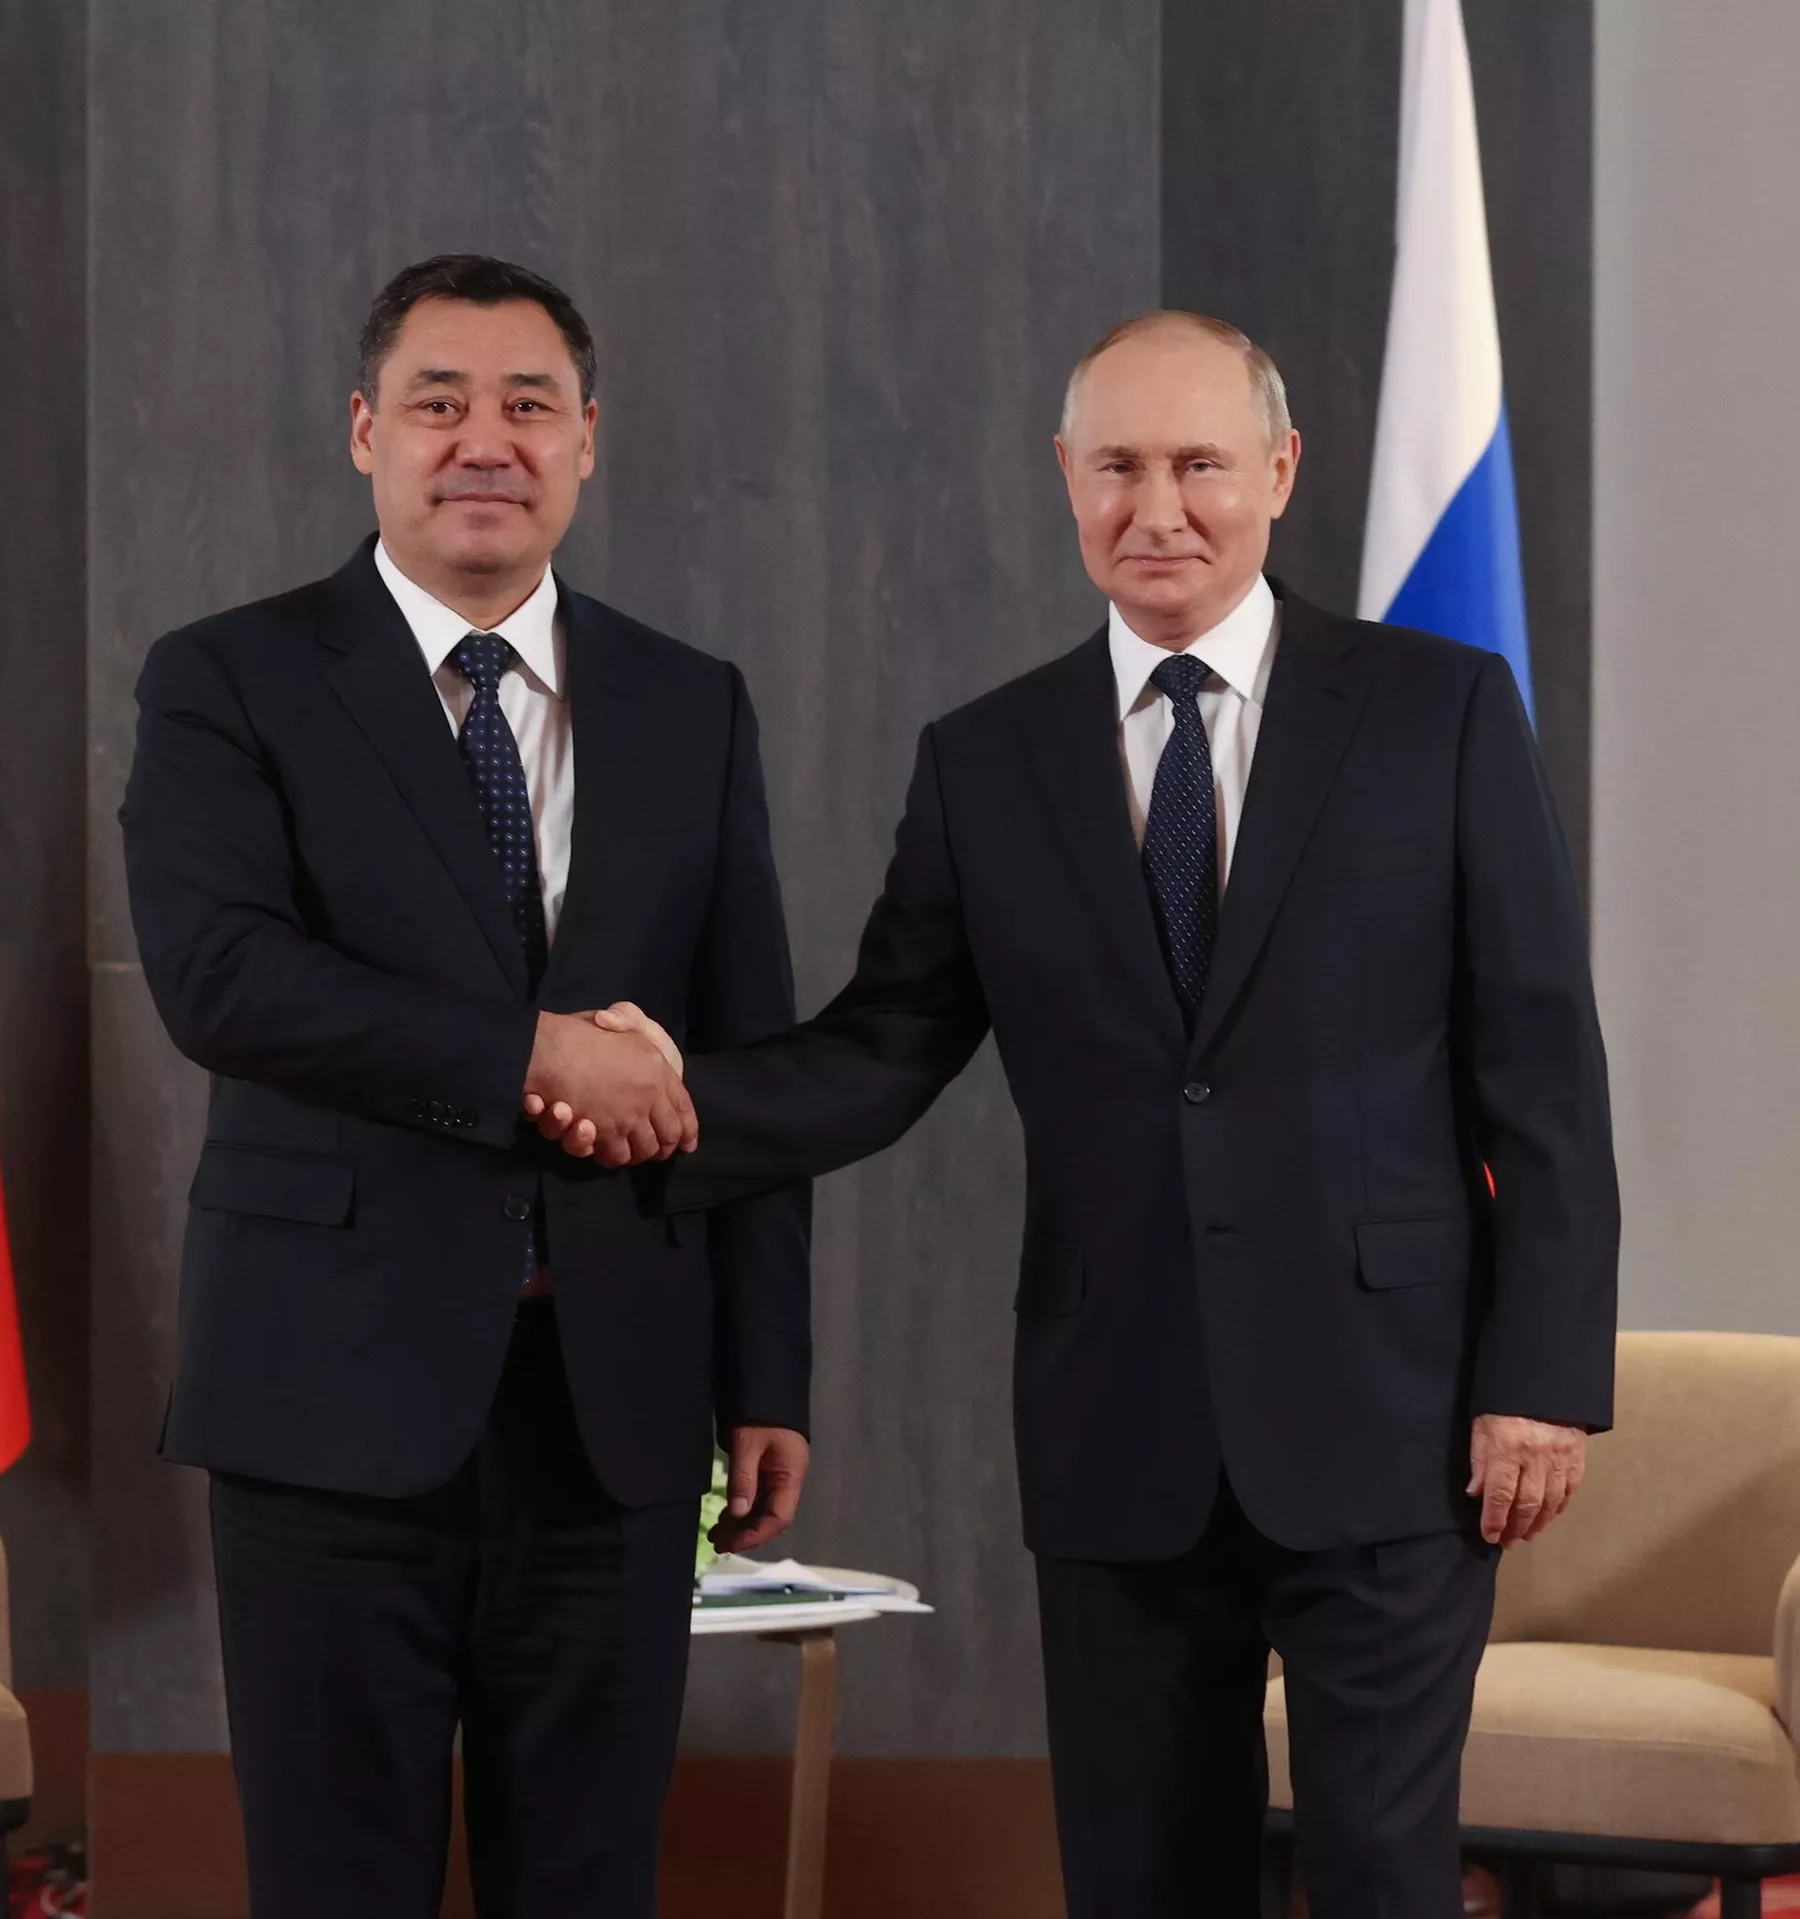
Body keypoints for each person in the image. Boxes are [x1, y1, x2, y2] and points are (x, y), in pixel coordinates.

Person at [525, 311, 1620, 1918]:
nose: (1156, 508)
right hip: (1120, 1417)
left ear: (1280, 472)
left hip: (1391, 1412)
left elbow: (1544, 1072)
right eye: (1118, 466)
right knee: (1139, 1875)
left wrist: (1540, 1380)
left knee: (1384, 1873)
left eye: (1199, 465)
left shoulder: (1438, 711)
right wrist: (660, 1097)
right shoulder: (988, 759)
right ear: (1065, 476)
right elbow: (882, 1048)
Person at [119, 253, 812, 1919]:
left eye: (528, 405)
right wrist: (530, 1054)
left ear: (588, 441)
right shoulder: (227, 677)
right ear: (367, 432)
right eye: (438, 403)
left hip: (615, 1409)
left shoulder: (691, 702)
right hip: (325, 1400)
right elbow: (224, 978)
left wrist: (767, 1368)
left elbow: (745, 1050)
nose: (484, 440)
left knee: (588, 1883)